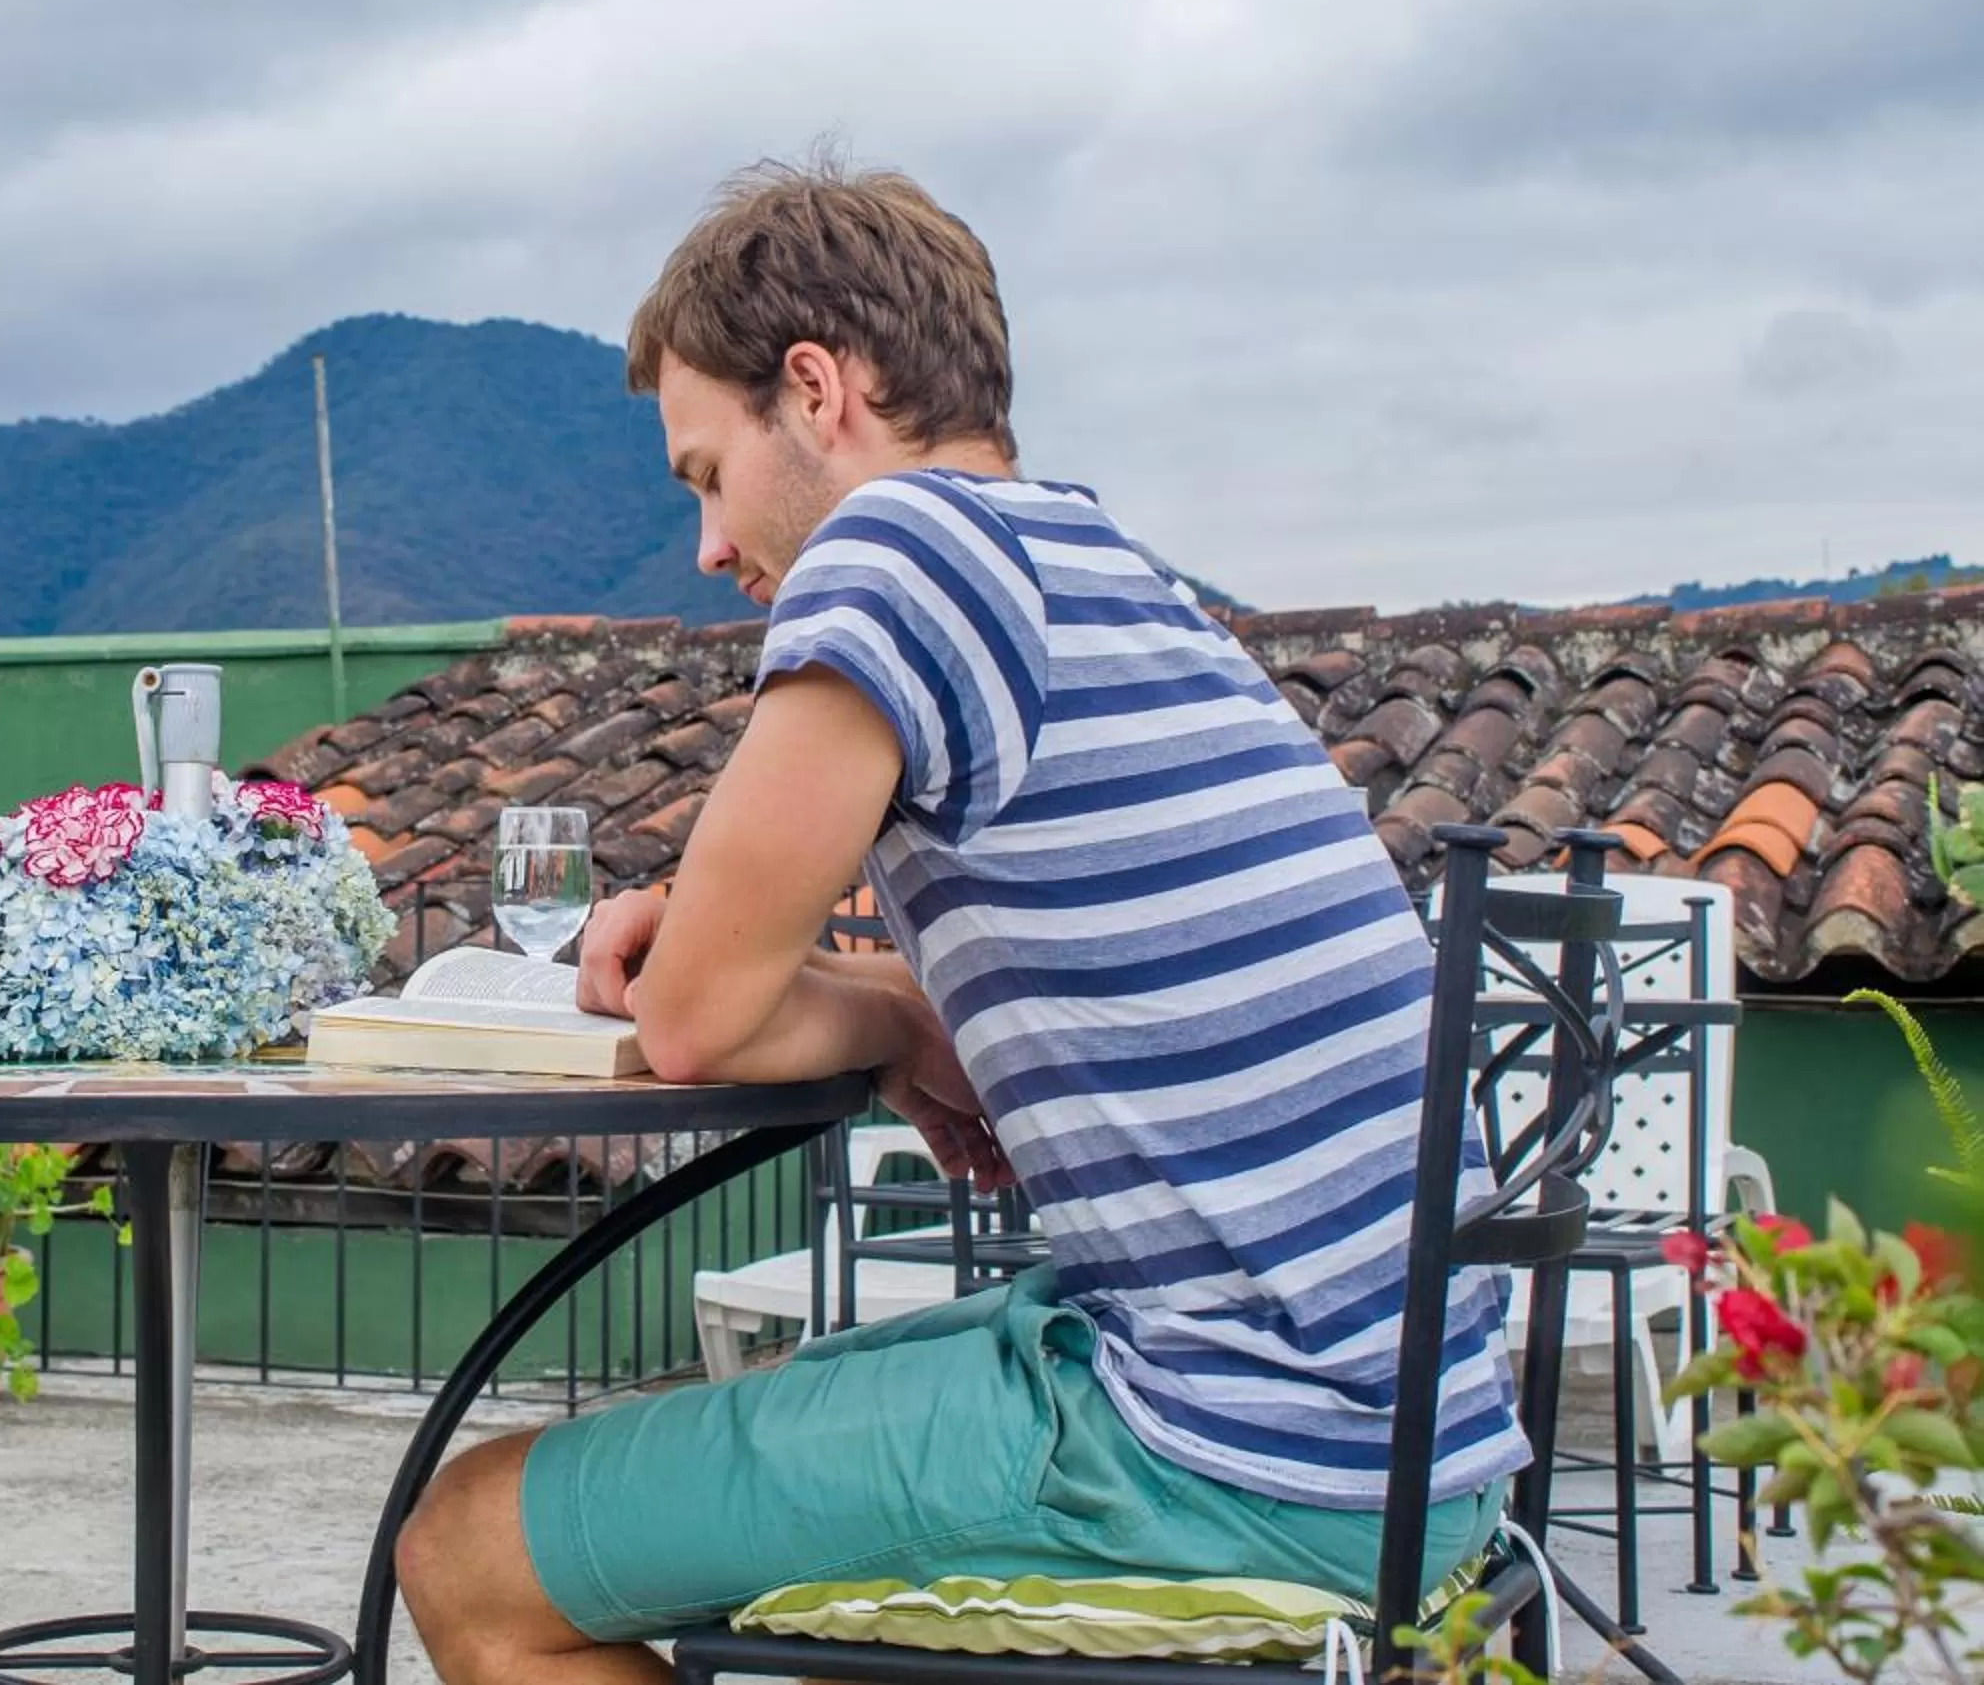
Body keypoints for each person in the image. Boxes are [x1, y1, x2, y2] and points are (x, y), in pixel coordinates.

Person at [392, 157, 1528, 1685]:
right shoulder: (1082, 554)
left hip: (1241, 1445)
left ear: (815, 388)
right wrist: (886, 995)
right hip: (1389, 1433)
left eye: (707, 475)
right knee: (730, 1433)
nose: (710, 550)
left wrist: (893, 1014)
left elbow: (693, 1019)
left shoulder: (901, 549)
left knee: (467, 1543)